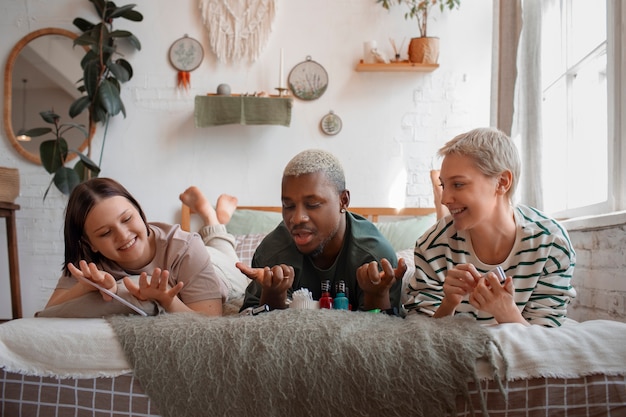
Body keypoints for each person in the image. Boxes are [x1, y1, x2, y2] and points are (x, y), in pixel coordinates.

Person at [404, 127, 577, 327]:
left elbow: (546, 340)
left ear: (502, 182)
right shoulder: (431, 246)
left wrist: (507, 313)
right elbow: (420, 339)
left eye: (458, 184)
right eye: (443, 185)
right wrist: (448, 303)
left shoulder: (552, 244)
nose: (444, 199)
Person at [235, 149, 406, 313]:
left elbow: (385, 336)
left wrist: (376, 295)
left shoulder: (376, 258)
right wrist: (273, 297)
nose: (297, 218)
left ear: (343, 201)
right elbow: (251, 331)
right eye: (288, 206)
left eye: (312, 204)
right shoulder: (272, 254)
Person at [43, 178, 233, 316]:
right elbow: (48, 311)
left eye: (127, 219)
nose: (123, 236)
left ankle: (211, 216)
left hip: (220, 269)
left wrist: (168, 301)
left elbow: (210, 322)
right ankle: (212, 217)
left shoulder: (186, 247)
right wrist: (85, 288)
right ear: (89, 243)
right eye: (105, 233)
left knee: (224, 253)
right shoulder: (87, 263)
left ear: (140, 211)